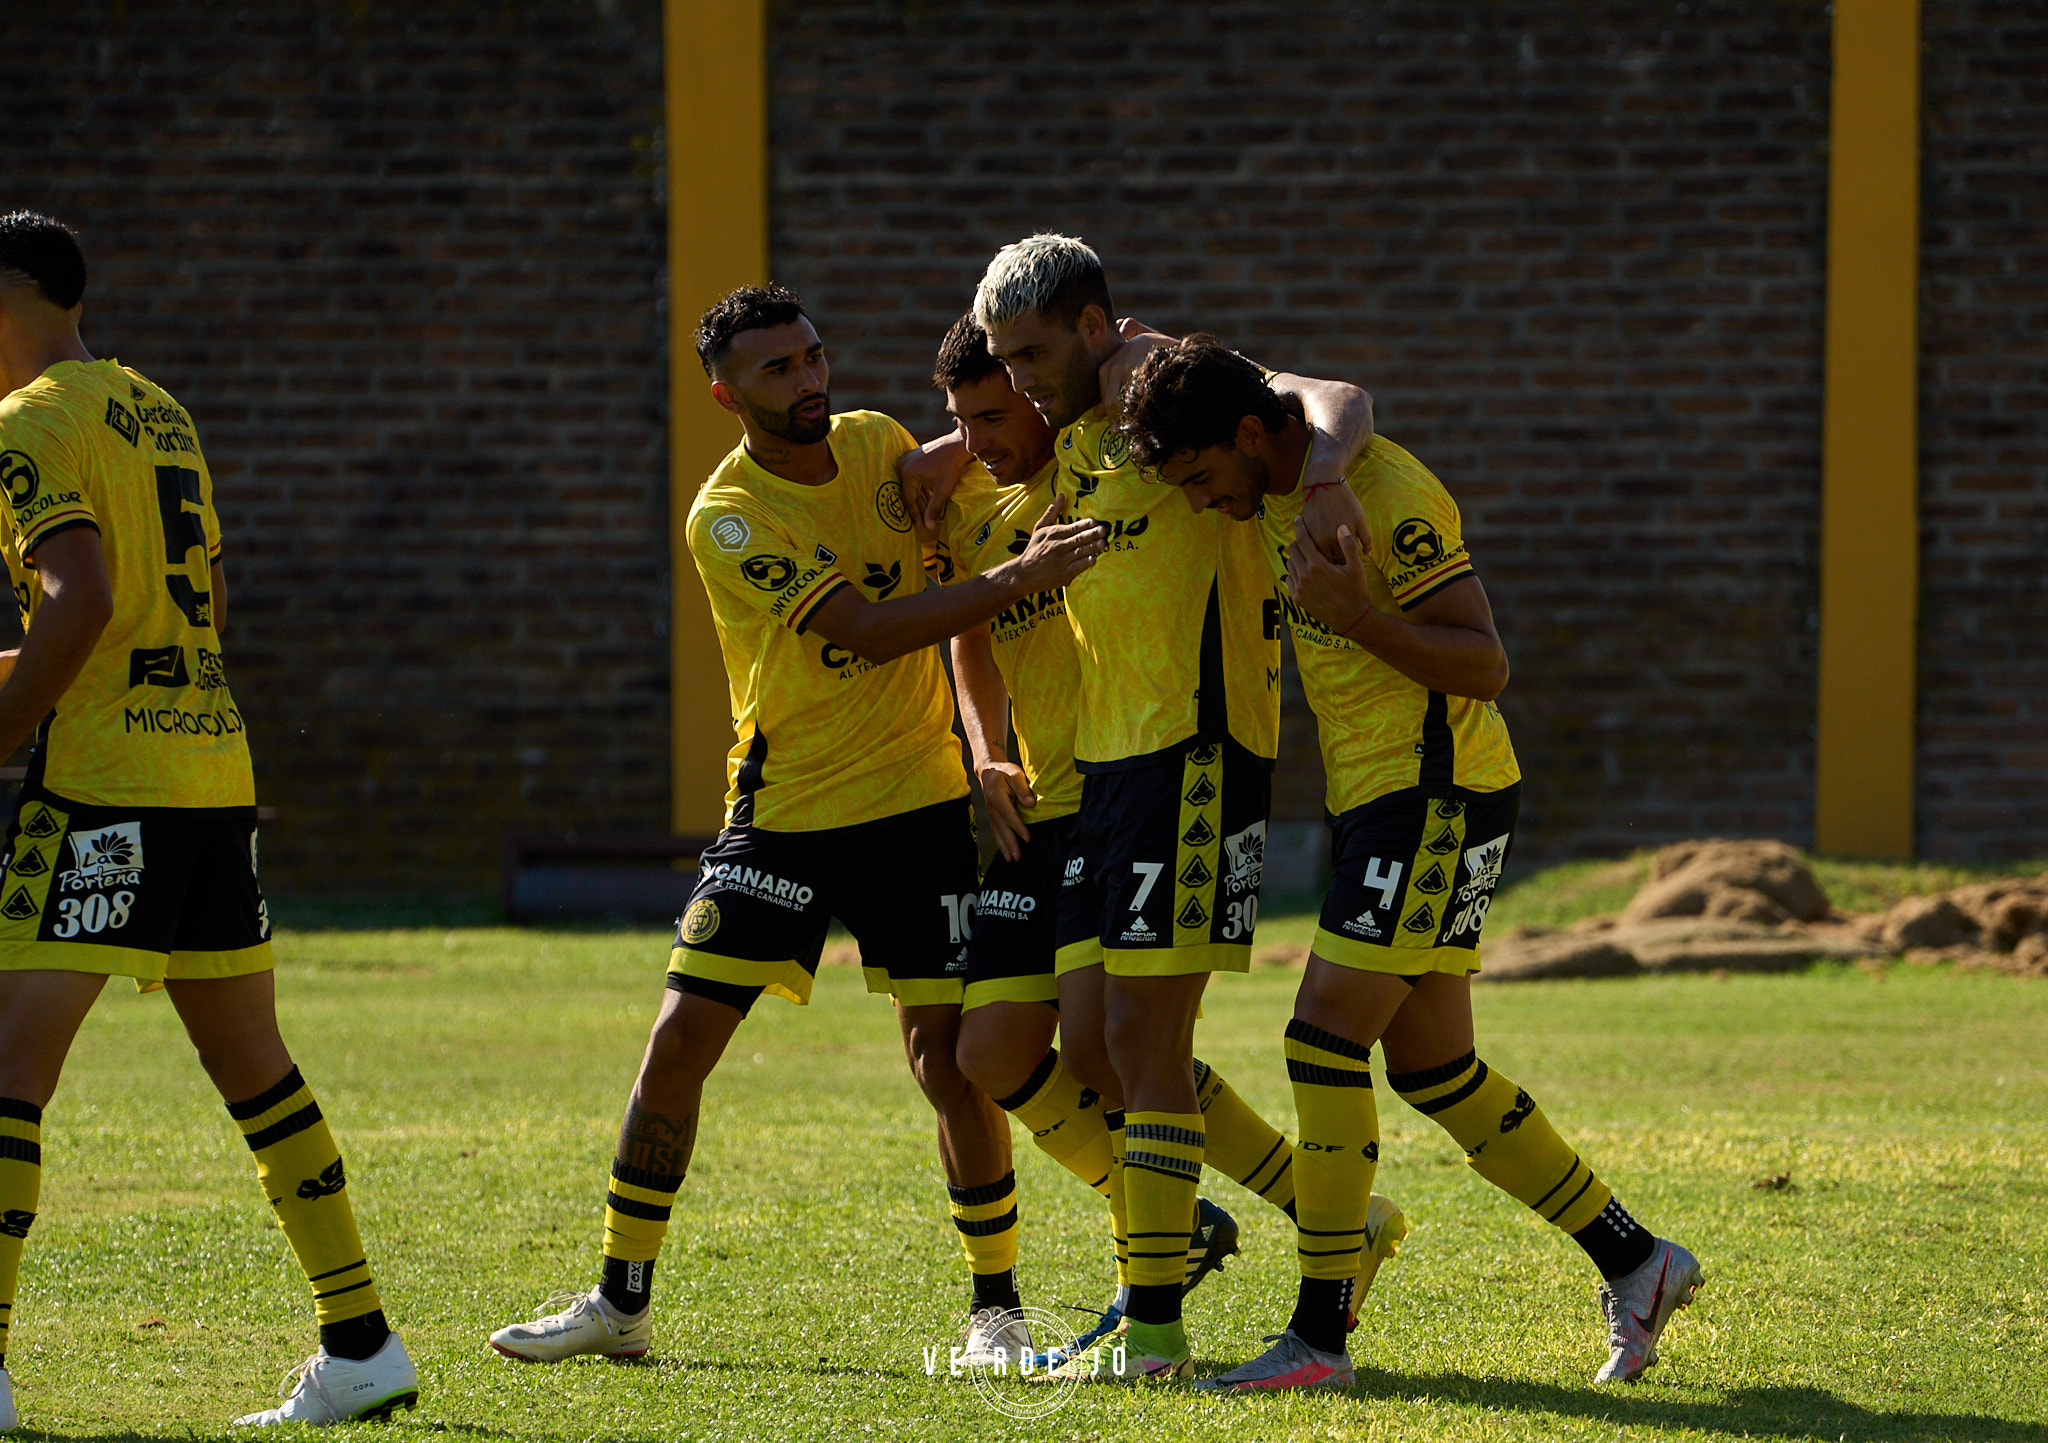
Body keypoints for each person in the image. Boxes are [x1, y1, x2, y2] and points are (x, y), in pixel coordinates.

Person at [487, 285, 1107, 1367]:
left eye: (815, 357)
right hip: (784, 818)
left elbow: (974, 446)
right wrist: (1018, 575)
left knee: (950, 1065)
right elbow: (865, 633)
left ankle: (995, 1312)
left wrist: (946, 457)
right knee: (676, 1047)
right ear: (725, 393)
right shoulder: (727, 515)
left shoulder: (875, 446)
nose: (809, 379)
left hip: (920, 809)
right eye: (778, 370)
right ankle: (618, 1305)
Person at [1120, 334, 1705, 1392]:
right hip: (1382, 800)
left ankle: (1317, 1340)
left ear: (1249, 438)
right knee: (1433, 1069)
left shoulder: (1383, 495)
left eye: (1204, 479)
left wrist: (1360, 617)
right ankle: (1638, 1259)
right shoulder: (1296, 459)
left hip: (1436, 796)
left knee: (1319, 1042)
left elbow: (1484, 663)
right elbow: (1310, 385)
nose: (1205, 505)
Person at [914, 234, 1382, 1383]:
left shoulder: (1163, 380)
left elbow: (1331, 397)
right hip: (1115, 768)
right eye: (1000, 364)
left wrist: (1320, 475)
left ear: (1090, 326)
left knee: (1134, 1045)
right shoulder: (1069, 423)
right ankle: (1272, 1254)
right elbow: (997, 443)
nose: (1013, 378)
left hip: (1196, 745)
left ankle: (1156, 1333)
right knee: (1099, 1048)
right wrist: (946, 450)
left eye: (1028, 352)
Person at [0, 211, 417, 1429]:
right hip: (207, 765)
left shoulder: (24, 424)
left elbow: (81, 603)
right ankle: (361, 1343)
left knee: (10, 1069)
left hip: (105, 785)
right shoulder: (155, 408)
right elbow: (202, 603)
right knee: (252, 1066)